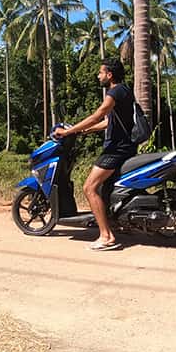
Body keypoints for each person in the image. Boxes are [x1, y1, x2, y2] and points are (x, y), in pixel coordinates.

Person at [54, 58, 137, 251]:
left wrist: (68, 131)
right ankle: (115, 222)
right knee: (105, 189)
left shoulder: (114, 92)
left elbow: (97, 115)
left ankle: (106, 236)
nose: (98, 75)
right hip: (124, 147)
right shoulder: (125, 90)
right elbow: (108, 123)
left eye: (100, 72)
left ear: (109, 75)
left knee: (89, 188)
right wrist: (83, 131)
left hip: (116, 150)